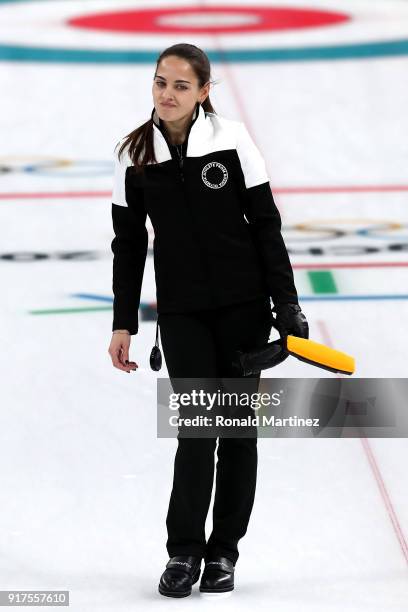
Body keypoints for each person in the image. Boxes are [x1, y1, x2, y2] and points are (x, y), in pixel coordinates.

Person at [108, 43, 309, 598]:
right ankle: (183, 554)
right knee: (196, 433)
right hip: (182, 314)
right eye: (159, 83)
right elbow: (129, 246)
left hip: (245, 310)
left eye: (179, 86)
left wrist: (287, 307)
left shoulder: (232, 140)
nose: (166, 95)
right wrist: (123, 322)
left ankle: (224, 553)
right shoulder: (134, 155)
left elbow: (266, 228)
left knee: (238, 436)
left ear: (203, 92)